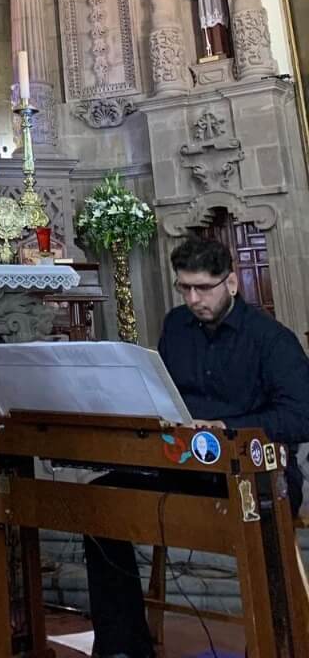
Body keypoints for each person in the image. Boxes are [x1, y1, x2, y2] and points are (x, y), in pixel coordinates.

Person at [83, 236, 309, 658]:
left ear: (232, 283)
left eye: (203, 288)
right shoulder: (176, 326)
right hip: (184, 464)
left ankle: (274, 645)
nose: (193, 298)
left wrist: (227, 427)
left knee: (261, 513)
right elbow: (164, 393)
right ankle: (124, 647)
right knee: (101, 500)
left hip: (258, 472)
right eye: (184, 288)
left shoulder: (271, 339)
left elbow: (302, 415)